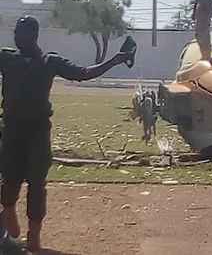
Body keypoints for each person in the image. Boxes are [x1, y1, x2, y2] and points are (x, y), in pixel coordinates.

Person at [0, 16, 130, 252]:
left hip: (37, 131)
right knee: (9, 179)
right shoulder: (6, 58)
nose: (17, 37)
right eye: (16, 33)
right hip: (11, 129)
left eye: (21, 33)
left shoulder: (50, 62)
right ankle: (8, 211)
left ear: (33, 35)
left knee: (37, 184)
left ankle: (34, 234)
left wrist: (115, 60)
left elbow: (83, 73)